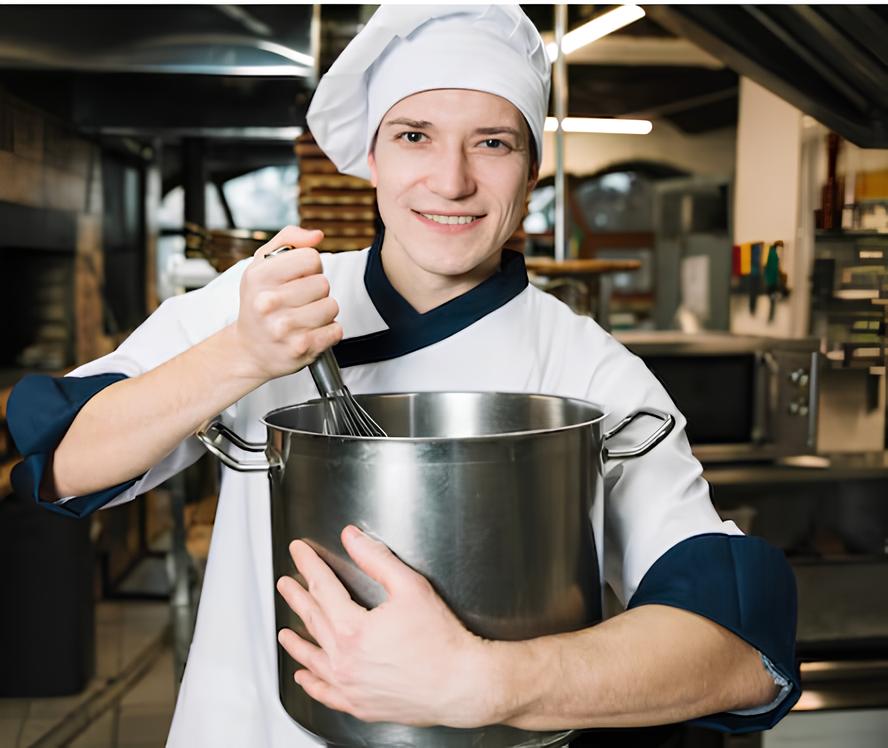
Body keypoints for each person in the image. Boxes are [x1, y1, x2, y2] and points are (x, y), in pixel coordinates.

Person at [7, 5, 799, 746]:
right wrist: (240, 356)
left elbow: (742, 658)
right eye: (415, 135)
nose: (451, 181)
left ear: (532, 171)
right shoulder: (265, 303)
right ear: (372, 158)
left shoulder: (590, 373)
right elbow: (61, 464)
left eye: (493, 142)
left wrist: (486, 683)